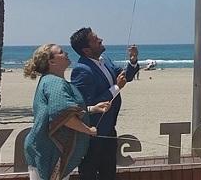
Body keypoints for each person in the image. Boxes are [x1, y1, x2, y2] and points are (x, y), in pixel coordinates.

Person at [23, 44, 111, 180]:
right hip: (48, 150)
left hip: (42, 148)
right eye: (61, 52)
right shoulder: (55, 83)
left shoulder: (50, 80)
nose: (66, 53)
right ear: (51, 62)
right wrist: (88, 130)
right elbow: (63, 114)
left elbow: (56, 110)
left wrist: (92, 109)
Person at [70, 28, 140, 180]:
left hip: (109, 129)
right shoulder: (81, 70)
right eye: (95, 39)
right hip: (92, 133)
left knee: (109, 173)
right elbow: (86, 106)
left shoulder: (105, 59)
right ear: (86, 50)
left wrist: (133, 61)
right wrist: (116, 88)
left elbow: (123, 76)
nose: (101, 39)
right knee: (89, 173)